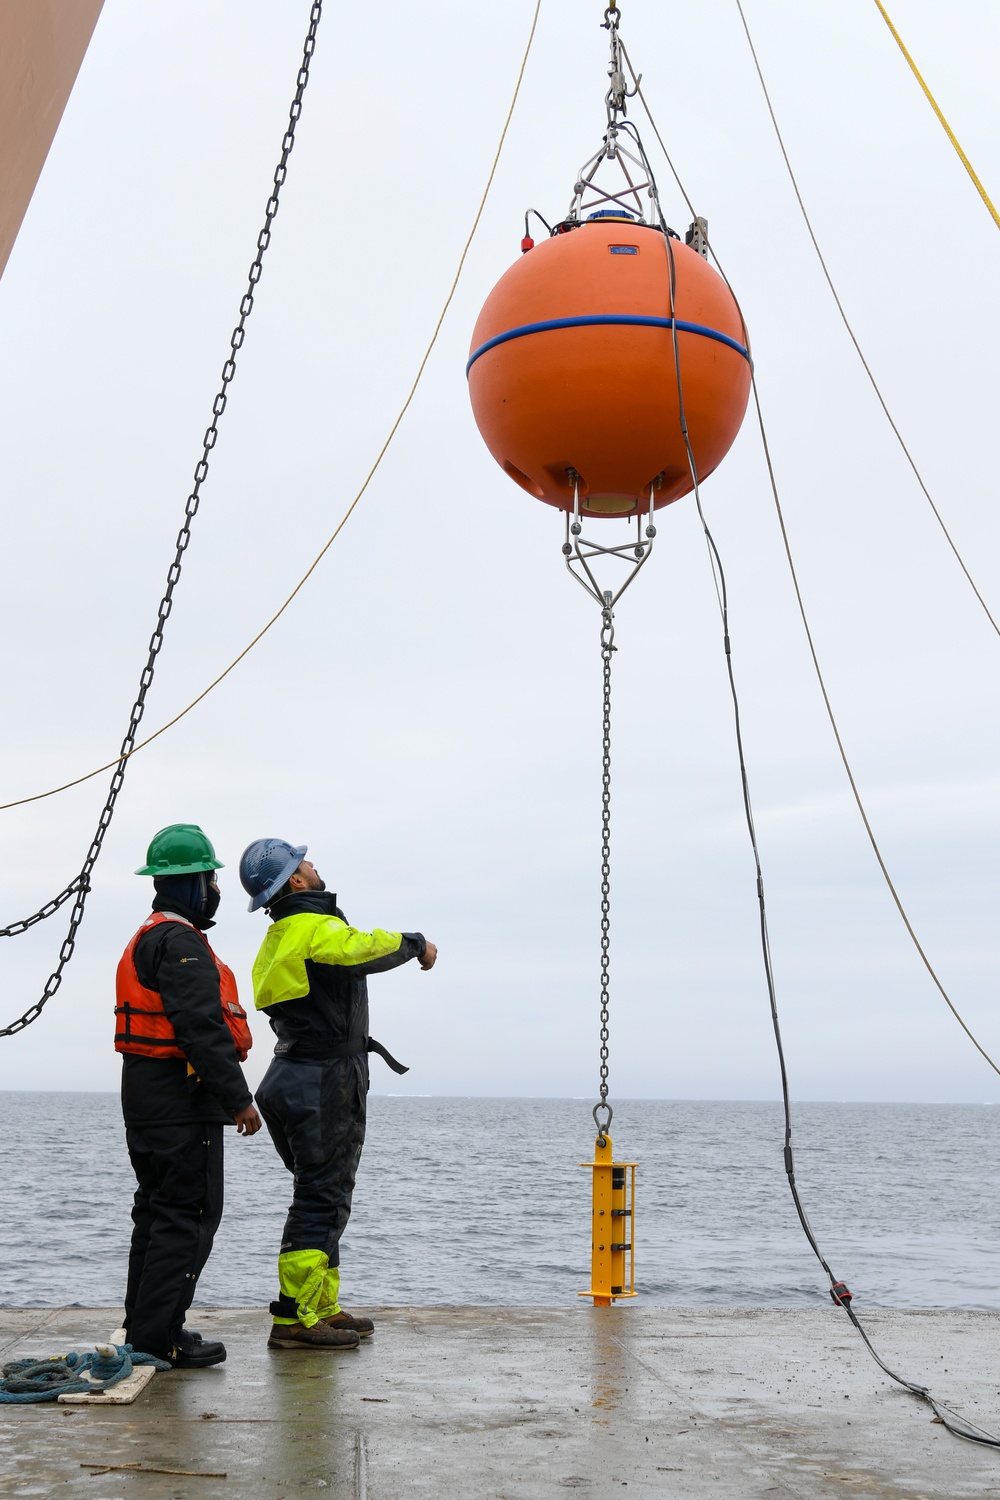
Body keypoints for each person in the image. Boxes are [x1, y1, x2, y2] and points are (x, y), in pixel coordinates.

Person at [239, 838, 437, 1352]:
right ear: (297, 883)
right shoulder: (315, 927)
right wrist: (415, 943)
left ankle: (320, 1305)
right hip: (323, 1078)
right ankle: (296, 1318)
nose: (314, 863)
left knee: (321, 1193)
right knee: (321, 1197)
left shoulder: (278, 937)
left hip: (287, 1076)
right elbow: (360, 949)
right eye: (304, 861)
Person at [116, 823, 261, 1367]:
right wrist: (239, 1100)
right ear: (196, 883)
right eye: (213, 877)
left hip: (146, 1101)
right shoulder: (180, 943)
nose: (217, 887)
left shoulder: (149, 935)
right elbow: (201, 1026)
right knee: (189, 1216)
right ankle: (160, 1339)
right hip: (179, 1104)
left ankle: (145, 1328)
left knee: (156, 1215)